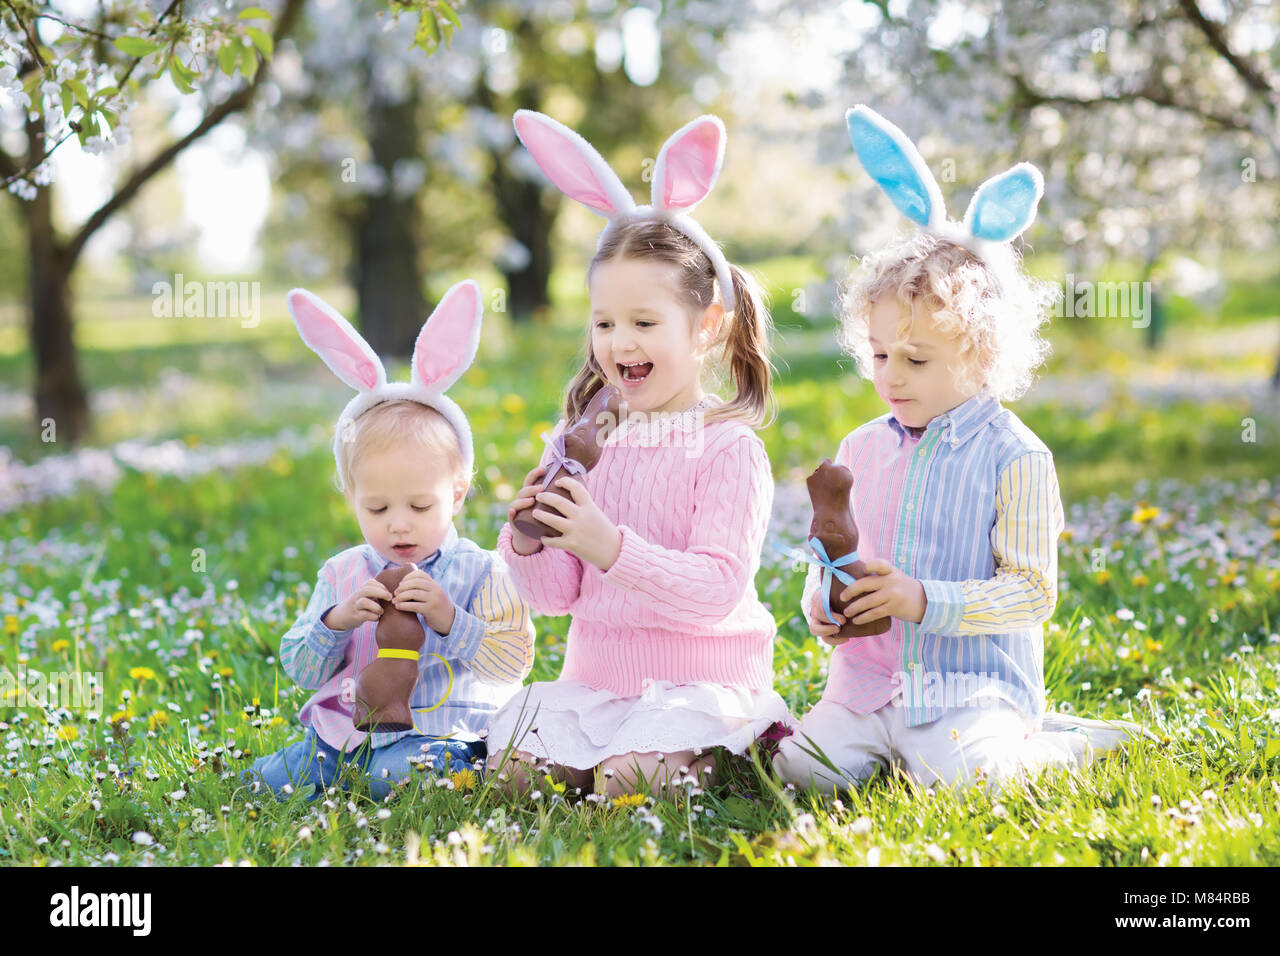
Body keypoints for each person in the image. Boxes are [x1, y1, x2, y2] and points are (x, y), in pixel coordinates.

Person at [774, 106, 1148, 795]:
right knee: (798, 772)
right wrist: (818, 605)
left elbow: (1033, 592)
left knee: (973, 781)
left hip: (967, 687)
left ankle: (1057, 745)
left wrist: (924, 600)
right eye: (881, 353)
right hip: (868, 684)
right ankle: (890, 751)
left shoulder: (1017, 456)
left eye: (915, 359)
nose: (889, 376)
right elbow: (831, 556)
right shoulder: (860, 446)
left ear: (983, 354)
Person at [486, 110, 790, 798]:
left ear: (707, 326)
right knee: (511, 777)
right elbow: (555, 599)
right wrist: (530, 542)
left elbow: (716, 591)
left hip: (698, 683)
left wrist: (609, 545)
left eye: (644, 323)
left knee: (627, 785)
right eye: (604, 323)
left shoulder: (727, 449)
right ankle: (614, 755)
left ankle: (722, 756)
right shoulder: (580, 443)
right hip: (596, 682)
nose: (620, 344)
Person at [242, 281, 534, 802]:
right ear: (350, 496)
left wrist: (450, 619)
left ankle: (430, 774)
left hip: (442, 730)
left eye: (420, 507)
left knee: (396, 777)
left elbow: (515, 661)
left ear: (458, 494)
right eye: (377, 508)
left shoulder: (483, 571)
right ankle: (332, 769)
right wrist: (337, 620)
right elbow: (300, 668)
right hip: (345, 734)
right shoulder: (343, 573)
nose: (399, 525)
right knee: (268, 783)